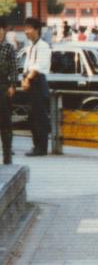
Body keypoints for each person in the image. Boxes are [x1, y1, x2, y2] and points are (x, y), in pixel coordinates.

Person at [21, 17, 51, 157]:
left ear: (37, 29)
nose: (26, 31)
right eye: (25, 28)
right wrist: (24, 78)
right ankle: (36, 145)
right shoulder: (30, 46)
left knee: (40, 117)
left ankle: (41, 148)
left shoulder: (43, 46)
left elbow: (38, 66)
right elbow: (27, 65)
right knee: (32, 116)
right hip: (31, 81)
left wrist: (27, 79)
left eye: (29, 28)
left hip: (38, 81)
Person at [0, 18, 18, 165]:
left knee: (5, 122)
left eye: (1, 29)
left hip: (3, 86)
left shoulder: (9, 48)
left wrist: (13, 85)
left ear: (5, 30)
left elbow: (13, 68)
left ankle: (7, 154)